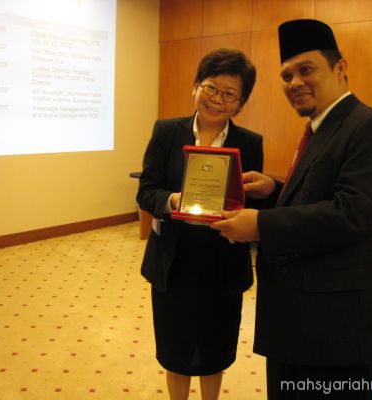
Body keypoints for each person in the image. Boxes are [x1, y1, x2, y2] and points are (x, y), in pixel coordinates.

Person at [210, 19, 372, 399]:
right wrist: (275, 190)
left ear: (340, 67)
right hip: (298, 320)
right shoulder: (321, 129)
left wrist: (262, 224)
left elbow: (354, 213)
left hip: (339, 329)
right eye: (286, 76)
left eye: (306, 69)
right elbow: (320, 196)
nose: (294, 83)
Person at [136, 48, 263, 400]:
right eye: (211, 87)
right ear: (196, 86)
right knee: (174, 350)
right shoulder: (166, 131)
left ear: (240, 103)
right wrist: (172, 201)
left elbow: (252, 202)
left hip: (222, 264)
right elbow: (146, 191)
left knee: (214, 350)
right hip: (173, 262)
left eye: (229, 94)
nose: (217, 99)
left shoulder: (250, 143)